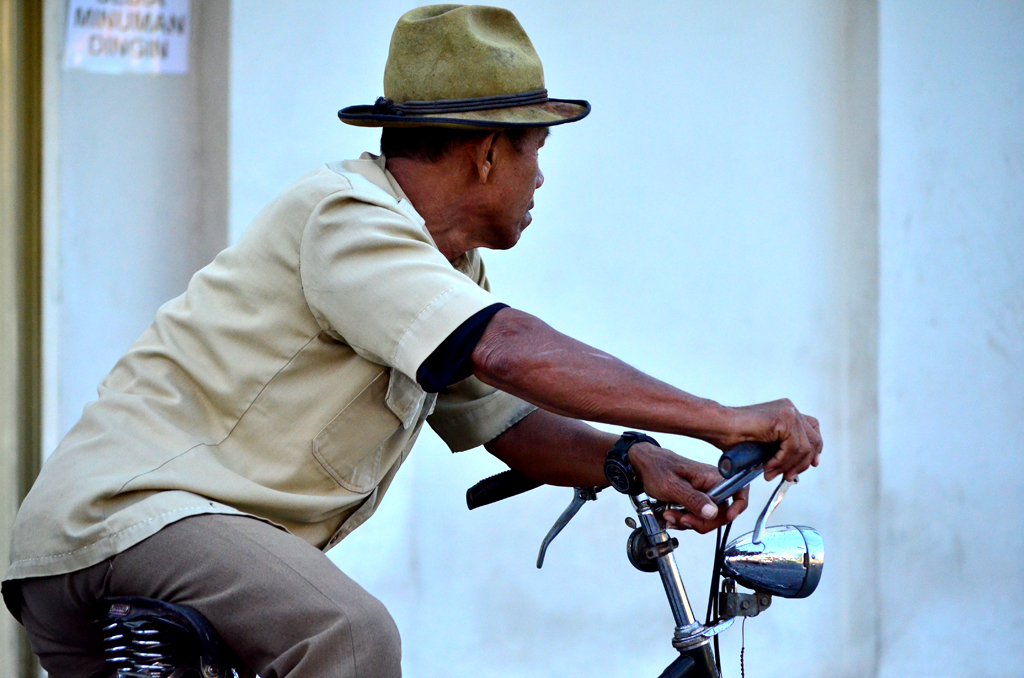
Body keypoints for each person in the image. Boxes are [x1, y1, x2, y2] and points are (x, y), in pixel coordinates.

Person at [3, 5, 822, 677]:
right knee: (350, 638)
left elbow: (506, 420)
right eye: (536, 148)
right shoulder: (350, 220)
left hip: (148, 540)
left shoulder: (443, 274)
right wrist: (716, 417)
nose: (542, 175)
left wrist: (631, 459)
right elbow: (504, 350)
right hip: (126, 521)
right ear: (488, 151)